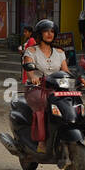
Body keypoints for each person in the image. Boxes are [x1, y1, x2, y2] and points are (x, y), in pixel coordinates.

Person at [22, 19, 69, 151]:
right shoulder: (31, 51)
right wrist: (33, 78)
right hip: (36, 89)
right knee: (43, 104)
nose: (50, 34)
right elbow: (29, 71)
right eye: (46, 31)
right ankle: (41, 141)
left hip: (55, 89)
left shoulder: (60, 53)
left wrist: (78, 79)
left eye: (52, 31)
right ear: (39, 34)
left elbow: (66, 72)